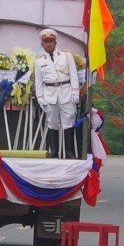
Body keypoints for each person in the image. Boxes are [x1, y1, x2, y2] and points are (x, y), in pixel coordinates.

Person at [31, 28, 83, 158]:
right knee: (52, 122)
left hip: (66, 92)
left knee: (68, 122)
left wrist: (75, 92)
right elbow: (39, 82)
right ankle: (54, 151)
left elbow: (73, 75)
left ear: (55, 42)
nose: (48, 44)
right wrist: (40, 98)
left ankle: (69, 152)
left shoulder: (66, 55)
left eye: (51, 41)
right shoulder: (39, 61)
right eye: (46, 41)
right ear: (42, 44)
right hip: (50, 95)